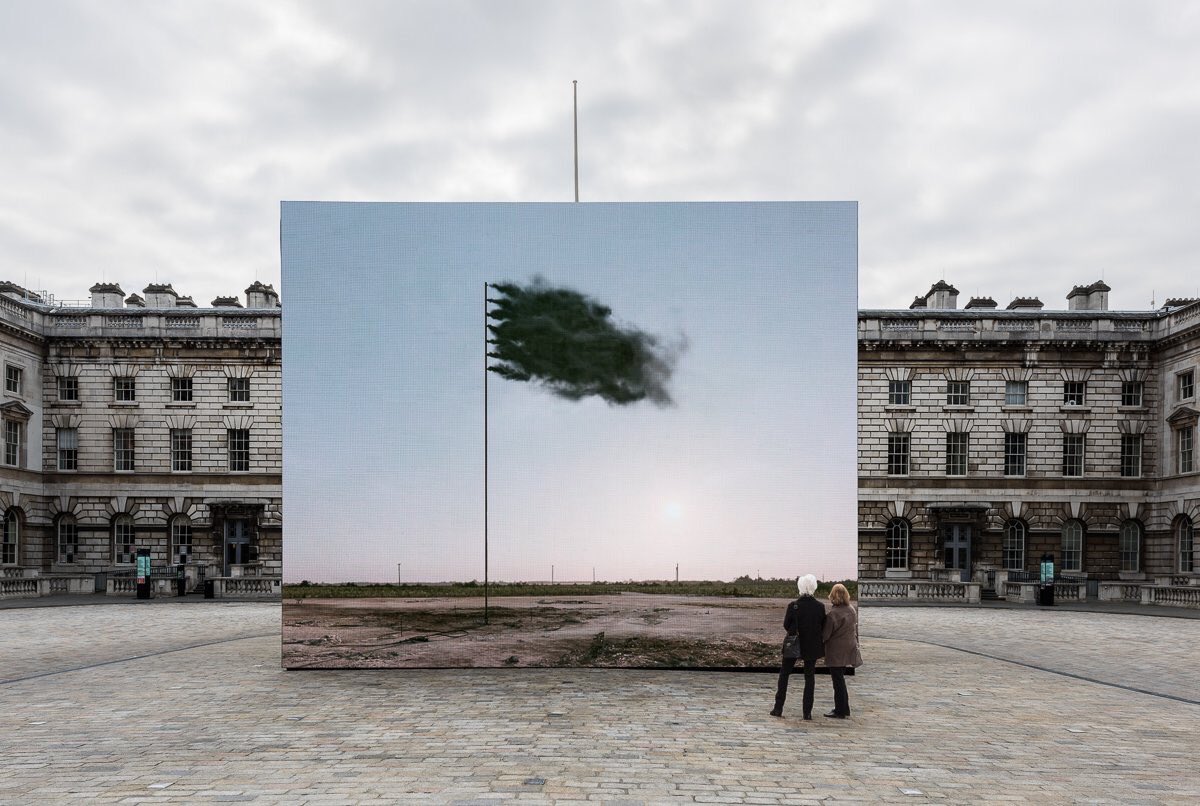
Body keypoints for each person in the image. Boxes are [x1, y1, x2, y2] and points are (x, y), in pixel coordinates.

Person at [770, 574, 825, 719]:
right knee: (809, 677)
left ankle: (778, 708)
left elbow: (786, 625)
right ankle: (807, 712)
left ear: (800, 587)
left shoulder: (793, 606)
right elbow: (822, 625)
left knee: (784, 674)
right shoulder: (820, 607)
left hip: (793, 644)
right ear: (814, 587)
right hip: (812, 645)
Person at [821, 582, 862, 719]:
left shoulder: (833, 614)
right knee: (841, 680)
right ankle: (845, 708)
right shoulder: (851, 609)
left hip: (836, 652)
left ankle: (840, 710)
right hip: (848, 648)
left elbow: (825, 635)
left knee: (837, 682)